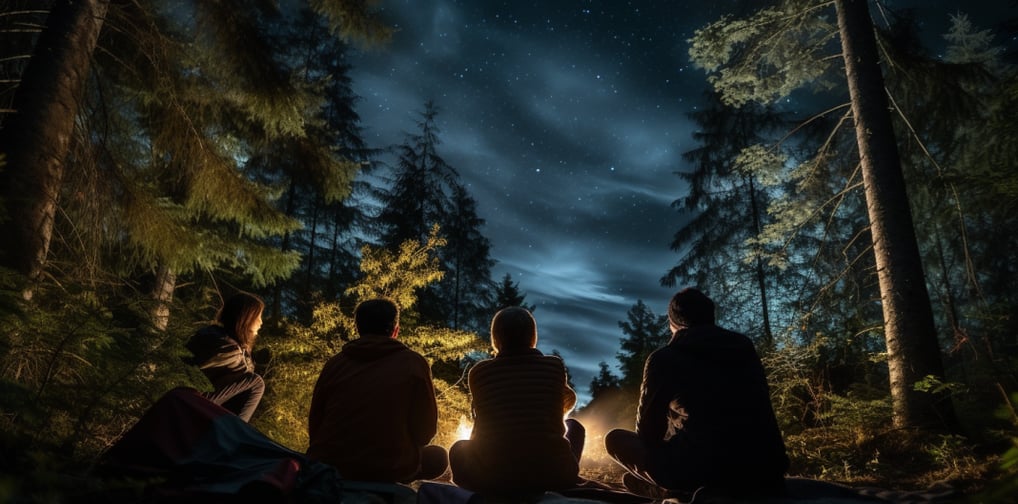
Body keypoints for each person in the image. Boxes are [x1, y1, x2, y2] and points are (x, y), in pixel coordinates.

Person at [604, 287, 789, 499]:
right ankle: (679, 488)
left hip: (705, 472)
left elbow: (647, 432)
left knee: (615, 439)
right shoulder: (744, 347)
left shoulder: (664, 358)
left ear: (673, 323)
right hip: (767, 470)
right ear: (710, 317)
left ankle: (677, 490)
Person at [306, 298, 448, 483]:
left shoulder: (335, 363)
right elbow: (425, 432)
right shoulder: (413, 363)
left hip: (329, 465)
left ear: (357, 329)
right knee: (438, 457)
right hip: (386, 469)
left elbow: (315, 423)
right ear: (395, 330)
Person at [449, 306, 585, 496]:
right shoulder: (554, 366)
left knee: (458, 449)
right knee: (575, 428)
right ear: (533, 337)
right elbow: (569, 399)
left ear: (496, 339)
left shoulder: (479, 373)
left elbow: (482, 419)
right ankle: (563, 481)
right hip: (554, 476)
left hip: (495, 478)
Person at [185, 291, 266, 422]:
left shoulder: (215, 335)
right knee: (256, 382)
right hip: (195, 403)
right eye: (258, 316)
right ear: (246, 317)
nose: (261, 322)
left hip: (192, 399)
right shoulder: (227, 347)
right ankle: (235, 434)